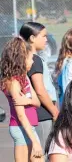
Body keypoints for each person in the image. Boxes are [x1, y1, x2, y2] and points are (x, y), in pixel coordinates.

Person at [0, 37, 43, 161]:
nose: (32, 62)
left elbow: (37, 102)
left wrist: (28, 101)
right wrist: (35, 142)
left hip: (30, 127)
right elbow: (21, 115)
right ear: (21, 60)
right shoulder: (14, 83)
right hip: (20, 128)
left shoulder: (24, 78)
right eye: (30, 59)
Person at [20, 22, 59, 152]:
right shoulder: (34, 60)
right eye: (43, 36)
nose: (46, 39)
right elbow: (40, 90)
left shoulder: (27, 58)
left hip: (38, 113)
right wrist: (54, 111)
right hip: (42, 114)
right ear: (32, 38)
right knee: (42, 153)